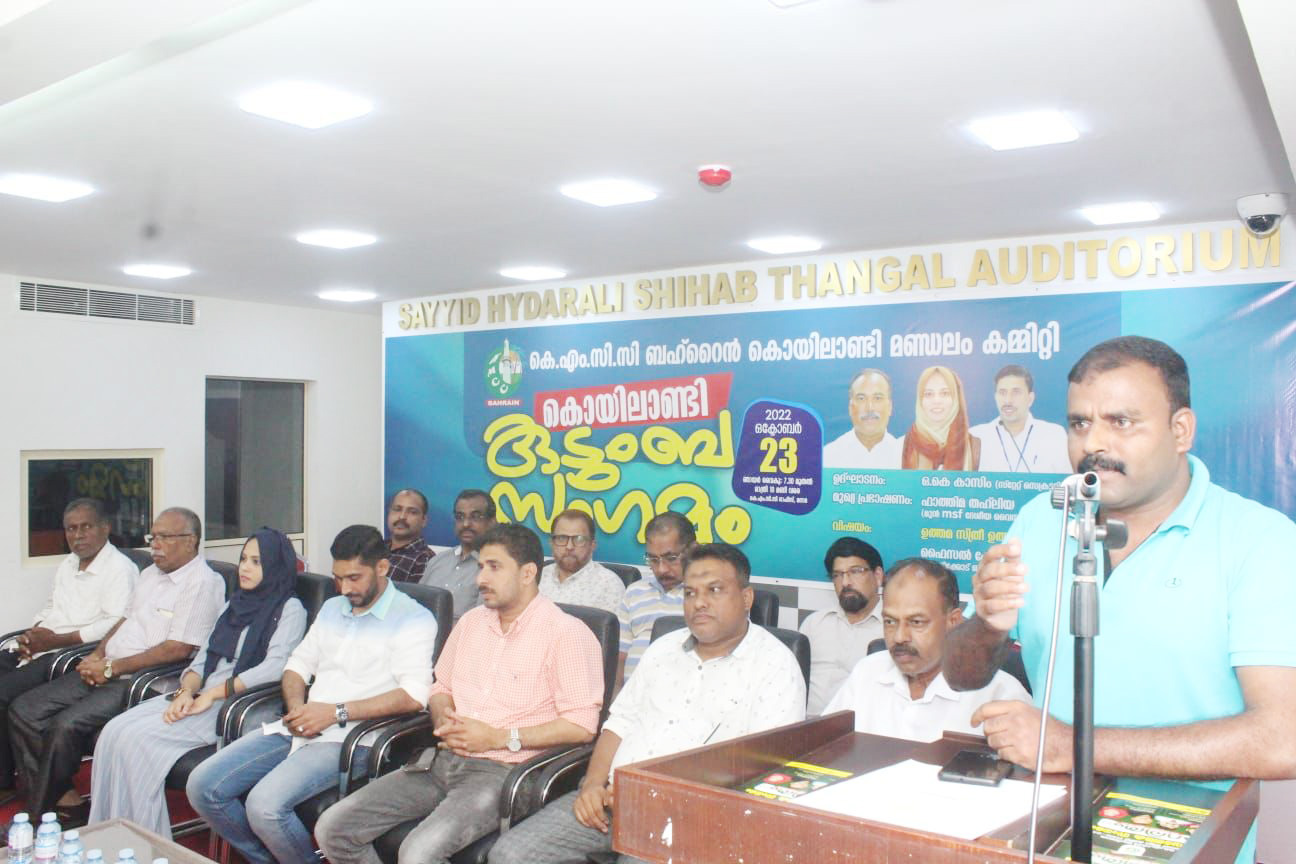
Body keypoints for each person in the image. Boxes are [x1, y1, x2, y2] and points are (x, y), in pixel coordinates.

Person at [944, 336, 1296, 864]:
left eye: (1121, 421)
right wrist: (988, 626)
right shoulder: (1039, 519)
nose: (1093, 443)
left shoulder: (1259, 540)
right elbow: (960, 675)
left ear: (1181, 430)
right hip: (1050, 832)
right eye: (1079, 423)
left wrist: (1073, 745)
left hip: (1185, 842)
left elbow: (1282, 739)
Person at [487, 542, 806, 864]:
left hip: (694, 819)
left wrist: (654, 799)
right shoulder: (663, 649)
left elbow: (766, 770)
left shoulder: (774, 665)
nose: (699, 603)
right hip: (611, 800)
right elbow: (619, 723)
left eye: (714, 590)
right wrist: (592, 786)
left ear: (746, 598)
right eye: (690, 593)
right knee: (508, 855)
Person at [315, 524, 604, 864]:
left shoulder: (567, 634)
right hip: (442, 760)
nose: (481, 578)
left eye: (494, 567)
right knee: (332, 828)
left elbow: (581, 726)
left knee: (417, 854)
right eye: (480, 567)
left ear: (527, 573)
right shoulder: (471, 622)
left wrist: (498, 737)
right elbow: (441, 687)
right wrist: (444, 717)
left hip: (504, 773)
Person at [186, 525, 437, 864]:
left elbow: (413, 696)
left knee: (264, 807)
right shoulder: (333, 608)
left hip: (353, 739)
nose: (344, 588)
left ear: (382, 567)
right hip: (300, 725)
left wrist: (335, 712)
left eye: (354, 578)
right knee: (203, 786)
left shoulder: (413, 618)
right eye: (338, 578)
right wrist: (296, 707)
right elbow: (297, 665)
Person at [88, 527, 306, 837]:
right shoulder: (235, 604)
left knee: (136, 743)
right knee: (114, 731)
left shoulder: (290, 609)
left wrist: (212, 694)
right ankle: (108, 836)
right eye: (243, 559)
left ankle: (145, 843)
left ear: (275, 566)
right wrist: (186, 691)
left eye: (256, 562)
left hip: (237, 707)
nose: (245, 567)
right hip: (201, 696)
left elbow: (275, 668)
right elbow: (203, 658)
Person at [9, 506, 225, 818]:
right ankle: (63, 800)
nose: (155, 545)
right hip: (109, 666)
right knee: (24, 710)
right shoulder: (150, 574)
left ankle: (38, 817)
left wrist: (111, 668)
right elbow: (124, 620)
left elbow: (177, 649)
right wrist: (97, 655)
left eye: (164, 538)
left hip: (143, 682)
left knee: (64, 725)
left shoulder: (203, 583)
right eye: (153, 537)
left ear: (190, 541)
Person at [0, 498, 137, 799]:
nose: (78, 535)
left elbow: (115, 624)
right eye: (71, 529)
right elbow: (52, 607)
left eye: (86, 527)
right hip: (46, 646)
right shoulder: (68, 564)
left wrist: (55, 641)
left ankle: (11, 784)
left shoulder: (119, 569)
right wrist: (34, 633)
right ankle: (11, 775)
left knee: (4, 695)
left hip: (69, 655)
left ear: (105, 528)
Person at [824, 558, 1026, 741]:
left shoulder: (1000, 694)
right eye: (890, 621)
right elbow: (824, 746)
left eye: (916, 622)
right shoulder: (867, 672)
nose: (900, 637)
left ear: (953, 621)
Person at [799, 537, 885, 715]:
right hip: (806, 724)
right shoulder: (814, 624)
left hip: (861, 726)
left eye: (855, 571)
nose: (845, 582)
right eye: (837, 575)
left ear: (877, 576)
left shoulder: (893, 629)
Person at [615, 511, 695, 691]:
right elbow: (620, 658)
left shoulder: (706, 596)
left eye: (671, 558)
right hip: (631, 698)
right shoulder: (634, 592)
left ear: (693, 550)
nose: (661, 569)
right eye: (653, 559)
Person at [969, 364, 1070, 473]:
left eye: (1016, 392)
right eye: (1002, 393)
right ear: (995, 397)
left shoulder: (1054, 435)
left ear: (1030, 398)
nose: (1008, 400)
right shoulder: (976, 436)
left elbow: (1067, 481)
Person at [421, 488, 498, 619]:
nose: (466, 524)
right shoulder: (437, 561)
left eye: (475, 517)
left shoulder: (494, 569)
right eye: (460, 517)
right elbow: (415, 606)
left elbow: (482, 622)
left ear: (492, 522)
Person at [537, 509, 625, 614]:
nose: (569, 547)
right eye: (561, 538)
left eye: (579, 539)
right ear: (551, 543)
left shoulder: (609, 585)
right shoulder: (537, 577)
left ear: (592, 545)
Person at [901, 365, 979, 470]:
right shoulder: (906, 443)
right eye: (928, 394)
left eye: (945, 393)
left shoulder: (973, 446)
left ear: (956, 399)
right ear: (920, 401)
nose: (936, 401)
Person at [822, 368, 903, 469]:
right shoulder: (828, 457)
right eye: (861, 398)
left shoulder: (906, 458)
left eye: (877, 398)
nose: (870, 408)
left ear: (890, 407)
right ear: (851, 408)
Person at [386, 488, 434, 583]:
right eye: (397, 509)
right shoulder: (375, 548)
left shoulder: (424, 560)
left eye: (412, 512)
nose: (402, 517)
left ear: (424, 520)